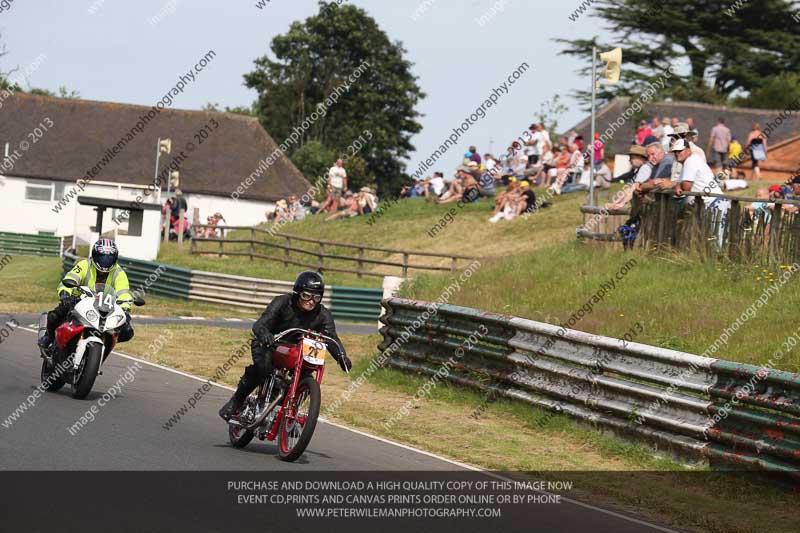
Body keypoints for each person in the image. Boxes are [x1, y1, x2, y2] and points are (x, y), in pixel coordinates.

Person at [219, 271, 351, 421]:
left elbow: (331, 337)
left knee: (306, 377)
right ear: (298, 293)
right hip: (269, 344)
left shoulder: (323, 314)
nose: (311, 301)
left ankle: (290, 420)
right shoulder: (282, 302)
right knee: (263, 368)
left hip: (297, 352)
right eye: (307, 296)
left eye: (316, 297)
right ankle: (236, 402)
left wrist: (342, 357)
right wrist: (266, 335)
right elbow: (260, 324)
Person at [39, 239, 135, 349]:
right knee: (54, 316)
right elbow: (71, 278)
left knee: (127, 331)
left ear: (115, 259)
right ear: (94, 256)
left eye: (109, 258)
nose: (105, 262)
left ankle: (106, 345)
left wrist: (126, 309)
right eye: (102, 257)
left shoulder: (119, 273)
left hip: (104, 308)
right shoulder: (84, 265)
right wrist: (66, 293)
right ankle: (49, 337)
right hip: (76, 300)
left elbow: (124, 293)